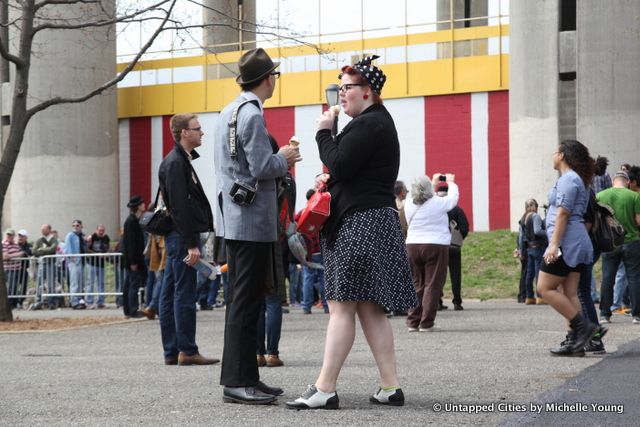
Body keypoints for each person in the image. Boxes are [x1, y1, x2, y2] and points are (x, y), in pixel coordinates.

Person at [287, 56, 417, 409]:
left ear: (368, 91)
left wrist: (322, 132)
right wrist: (330, 177)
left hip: (359, 223)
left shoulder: (367, 125)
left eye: (347, 88)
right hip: (375, 221)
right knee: (371, 308)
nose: (341, 95)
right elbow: (348, 169)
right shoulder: (376, 123)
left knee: (341, 306)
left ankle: (324, 388)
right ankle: (390, 386)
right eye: (339, 88)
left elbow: (341, 161)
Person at [214, 48, 300, 405]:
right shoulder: (250, 116)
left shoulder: (230, 110)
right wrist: (287, 157)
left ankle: (247, 376)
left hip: (238, 219)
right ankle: (237, 380)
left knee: (245, 300)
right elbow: (263, 166)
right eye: (274, 76)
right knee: (245, 302)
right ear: (268, 79)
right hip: (250, 221)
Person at [158, 113, 219, 366]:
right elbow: (181, 207)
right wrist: (192, 243)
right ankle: (187, 350)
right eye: (197, 128)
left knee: (170, 292)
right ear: (184, 132)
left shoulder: (178, 160)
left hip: (178, 237)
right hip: (182, 238)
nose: (201, 132)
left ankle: (173, 351)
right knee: (182, 293)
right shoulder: (175, 163)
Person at [536, 139, 604, 356]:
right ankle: (575, 342)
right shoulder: (579, 180)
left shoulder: (568, 180)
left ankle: (582, 327)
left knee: (544, 288)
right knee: (570, 292)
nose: (553, 155)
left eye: (555, 152)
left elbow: (563, 213)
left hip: (568, 241)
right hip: (578, 240)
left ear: (563, 155)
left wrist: (554, 244)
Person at [403, 175, 459, 333]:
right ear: (430, 189)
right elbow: (453, 198)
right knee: (432, 285)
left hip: (412, 245)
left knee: (417, 284)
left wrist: (432, 183)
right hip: (436, 244)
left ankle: (413, 322)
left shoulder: (408, 203)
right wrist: (450, 181)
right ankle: (427, 323)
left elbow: (424, 197)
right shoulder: (438, 202)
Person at [596, 170, 640, 325]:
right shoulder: (634, 196)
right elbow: (638, 221)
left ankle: (604, 315)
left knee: (608, 277)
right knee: (634, 277)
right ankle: (637, 315)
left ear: (614, 181)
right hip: (632, 241)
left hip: (609, 244)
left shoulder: (601, 195)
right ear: (627, 182)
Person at [434, 181, 469, 311]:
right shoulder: (457, 209)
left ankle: (437, 301)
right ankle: (457, 301)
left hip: (439, 246)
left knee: (437, 275)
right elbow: (465, 227)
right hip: (454, 246)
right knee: (456, 275)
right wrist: (458, 238)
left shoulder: (436, 208)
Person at [295, 189, 329, 315]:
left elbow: (295, 224)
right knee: (323, 278)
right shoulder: (320, 211)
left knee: (307, 278)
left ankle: (307, 306)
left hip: (306, 251)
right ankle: (326, 306)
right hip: (320, 250)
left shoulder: (302, 212)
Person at [122, 196, 147, 318]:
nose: (144, 205)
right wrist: (133, 261)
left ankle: (128, 309)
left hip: (133, 259)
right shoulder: (131, 221)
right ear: (137, 206)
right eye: (142, 203)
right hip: (133, 260)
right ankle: (132, 309)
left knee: (129, 285)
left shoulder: (133, 220)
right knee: (133, 285)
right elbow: (130, 243)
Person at [519, 199, 547, 305]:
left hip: (529, 248)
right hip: (538, 247)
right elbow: (537, 231)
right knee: (538, 272)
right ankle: (540, 297)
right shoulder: (535, 216)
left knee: (529, 273)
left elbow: (522, 237)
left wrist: (522, 250)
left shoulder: (524, 218)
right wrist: (548, 233)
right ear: (535, 206)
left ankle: (529, 297)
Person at [31, 224, 59, 310]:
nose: (42, 230)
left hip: (50, 264)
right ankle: (39, 301)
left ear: (49, 230)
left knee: (51, 284)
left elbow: (53, 249)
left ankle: (52, 302)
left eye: (44, 229)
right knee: (39, 283)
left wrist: (42, 250)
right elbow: (34, 251)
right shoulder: (39, 240)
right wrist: (45, 251)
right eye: (41, 229)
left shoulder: (53, 239)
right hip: (41, 264)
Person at [64, 220, 87, 309]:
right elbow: (68, 248)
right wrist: (72, 258)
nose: (75, 227)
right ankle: (74, 301)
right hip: (74, 261)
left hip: (82, 261)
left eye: (77, 225)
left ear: (81, 226)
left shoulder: (82, 236)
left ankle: (79, 299)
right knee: (74, 282)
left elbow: (84, 247)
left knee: (80, 282)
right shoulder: (70, 235)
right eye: (74, 225)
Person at [86, 224, 110, 308]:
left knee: (101, 283)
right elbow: (87, 249)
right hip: (92, 263)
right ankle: (89, 302)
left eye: (102, 230)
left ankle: (101, 301)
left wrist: (106, 254)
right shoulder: (92, 237)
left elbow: (108, 248)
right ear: (96, 230)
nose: (101, 232)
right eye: (100, 230)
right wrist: (96, 254)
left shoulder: (106, 238)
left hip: (101, 264)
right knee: (90, 282)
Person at [3, 229, 25, 309]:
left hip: (17, 269)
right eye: (8, 234)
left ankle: (14, 303)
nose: (9, 236)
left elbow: (22, 254)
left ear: (13, 236)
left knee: (15, 286)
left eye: (11, 235)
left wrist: (13, 255)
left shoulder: (16, 245)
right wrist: (18, 254)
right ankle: (10, 303)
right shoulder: (4, 244)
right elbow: (5, 256)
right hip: (9, 269)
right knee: (11, 286)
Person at [16, 230, 32, 309]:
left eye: (22, 236)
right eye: (19, 236)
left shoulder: (29, 245)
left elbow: (30, 252)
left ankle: (21, 301)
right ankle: (15, 301)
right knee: (14, 286)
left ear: (26, 237)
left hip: (24, 268)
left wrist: (24, 252)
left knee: (24, 286)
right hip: (16, 269)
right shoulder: (16, 245)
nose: (20, 238)